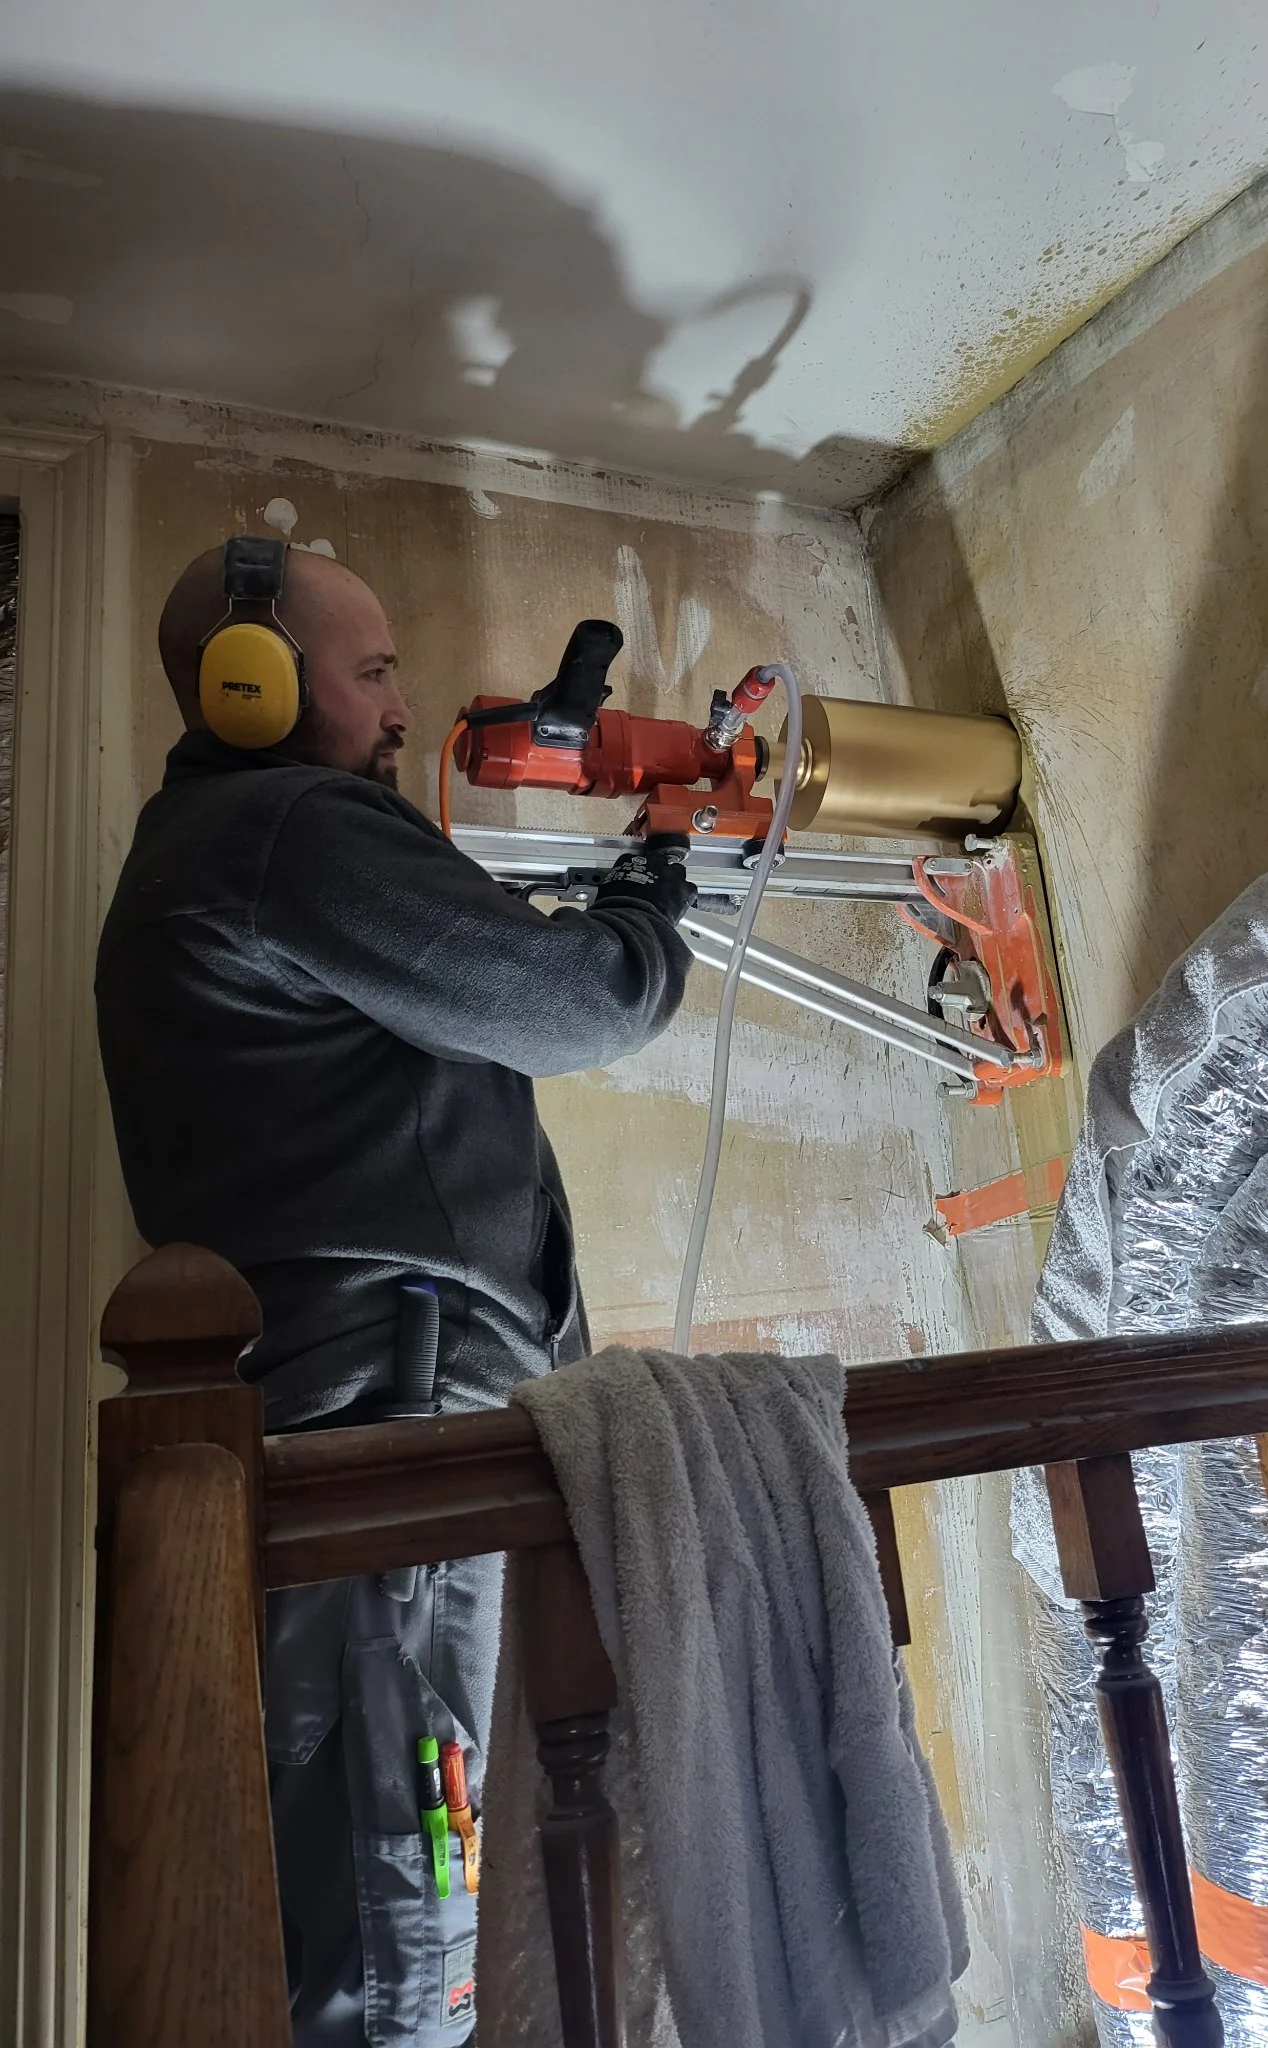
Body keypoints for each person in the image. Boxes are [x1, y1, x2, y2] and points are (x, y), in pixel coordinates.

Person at [95, 539, 694, 2046]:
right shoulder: (283, 829)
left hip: (378, 1425)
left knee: (405, 1885)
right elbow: (569, 1008)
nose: (397, 712)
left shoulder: (239, 847)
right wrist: (651, 912)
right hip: (396, 1425)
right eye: (370, 676)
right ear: (254, 689)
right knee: (403, 1916)